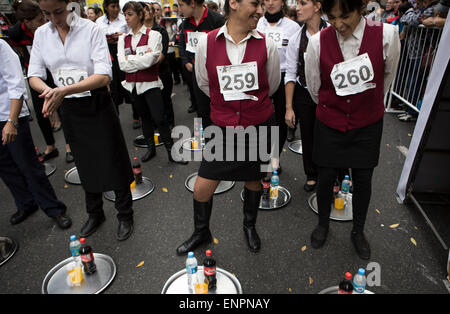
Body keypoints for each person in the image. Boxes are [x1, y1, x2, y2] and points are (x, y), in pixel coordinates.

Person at [176, 0, 281, 255]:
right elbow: (203, 82)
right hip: (222, 127)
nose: (260, 9)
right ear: (233, 3)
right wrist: (227, 106)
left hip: (258, 124)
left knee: (254, 180)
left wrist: (247, 106)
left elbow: (272, 84)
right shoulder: (207, 42)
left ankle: (249, 226)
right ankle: (201, 231)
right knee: (203, 185)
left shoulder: (267, 43)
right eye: (255, 3)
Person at [28, 0, 135, 241]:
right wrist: (49, 91)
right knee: (85, 161)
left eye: (58, 11)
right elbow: (34, 74)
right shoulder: (42, 35)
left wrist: (63, 91)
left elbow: (104, 75)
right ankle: (95, 213)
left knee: (112, 157)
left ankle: (124, 213)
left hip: (96, 101)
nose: (53, 19)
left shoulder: (91, 29)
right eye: (46, 14)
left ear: (71, 5)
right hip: (69, 107)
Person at [304, 0, 400, 259]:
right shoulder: (317, 42)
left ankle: (358, 230)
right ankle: (323, 223)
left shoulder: (387, 35)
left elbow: (386, 76)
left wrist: (367, 104)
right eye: (332, 17)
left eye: (345, 16)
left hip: (367, 123)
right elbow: (315, 85)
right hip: (329, 121)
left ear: (361, 9)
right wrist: (333, 109)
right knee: (325, 178)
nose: (338, 24)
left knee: (363, 179)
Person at [0, 39, 72, 229]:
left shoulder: (1, 47)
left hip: (9, 115)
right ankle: (26, 203)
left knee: (28, 165)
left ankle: (54, 209)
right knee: (6, 167)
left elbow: (16, 85)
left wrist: (12, 121)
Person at [118, 1, 187, 165]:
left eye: (130, 14)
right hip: (133, 86)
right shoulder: (123, 39)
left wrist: (132, 61)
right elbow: (122, 64)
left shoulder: (153, 35)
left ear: (140, 15)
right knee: (144, 117)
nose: (126, 18)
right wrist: (139, 61)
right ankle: (151, 148)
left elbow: (152, 60)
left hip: (151, 84)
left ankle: (172, 152)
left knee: (160, 118)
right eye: (125, 15)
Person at [7, 0, 74, 163]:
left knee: (63, 106)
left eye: (43, 17)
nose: (44, 22)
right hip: (36, 74)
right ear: (26, 22)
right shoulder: (15, 33)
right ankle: (51, 146)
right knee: (41, 112)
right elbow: (19, 52)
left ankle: (69, 146)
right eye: (40, 20)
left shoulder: (49, 29)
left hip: (53, 72)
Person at [285, 0, 328, 192]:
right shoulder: (296, 39)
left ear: (317, 6)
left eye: (303, 3)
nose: (297, 8)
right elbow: (290, 73)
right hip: (304, 93)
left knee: (331, 135)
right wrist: (288, 107)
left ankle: (337, 174)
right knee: (308, 135)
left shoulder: (333, 32)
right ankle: (311, 174)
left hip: (330, 93)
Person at [257, 0, 300, 173]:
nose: (270, 2)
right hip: (261, 75)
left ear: (282, 2)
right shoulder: (257, 23)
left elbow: (295, 58)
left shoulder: (293, 27)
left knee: (280, 120)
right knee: (260, 119)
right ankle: (261, 157)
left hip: (283, 76)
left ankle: (275, 158)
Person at [177, 0, 225, 121]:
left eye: (181, 5)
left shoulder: (217, 20)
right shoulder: (185, 23)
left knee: (220, 106)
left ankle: (221, 135)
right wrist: (186, 61)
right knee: (201, 107)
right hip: (195, 72)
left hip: (216, 74)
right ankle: (203, 135)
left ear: (192, 3)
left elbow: (225, 46)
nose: (179, 9)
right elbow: (182, 45)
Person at [96, 0, 133, 120]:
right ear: (106, 7)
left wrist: (122, 36)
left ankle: (137, 115)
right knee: (112, 84)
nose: (116, 9)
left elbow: (132, 34)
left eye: (117, 6)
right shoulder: (99, 21)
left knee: (128, 80)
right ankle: (115, 115)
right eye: (113, 6)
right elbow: (96, 39)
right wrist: (106, 39)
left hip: (123, 50)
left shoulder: (124, 19)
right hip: (108, 53)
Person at [142, 2, 176, 129]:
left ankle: (170, 126)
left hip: (161, 71)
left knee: (165, 100)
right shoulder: (139, 32)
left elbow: (162, 54)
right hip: (146, 73)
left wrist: (146, 62)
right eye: (144, 10)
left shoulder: (160, 30)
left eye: (149, 10)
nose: (147, 13)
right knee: (152, 103)